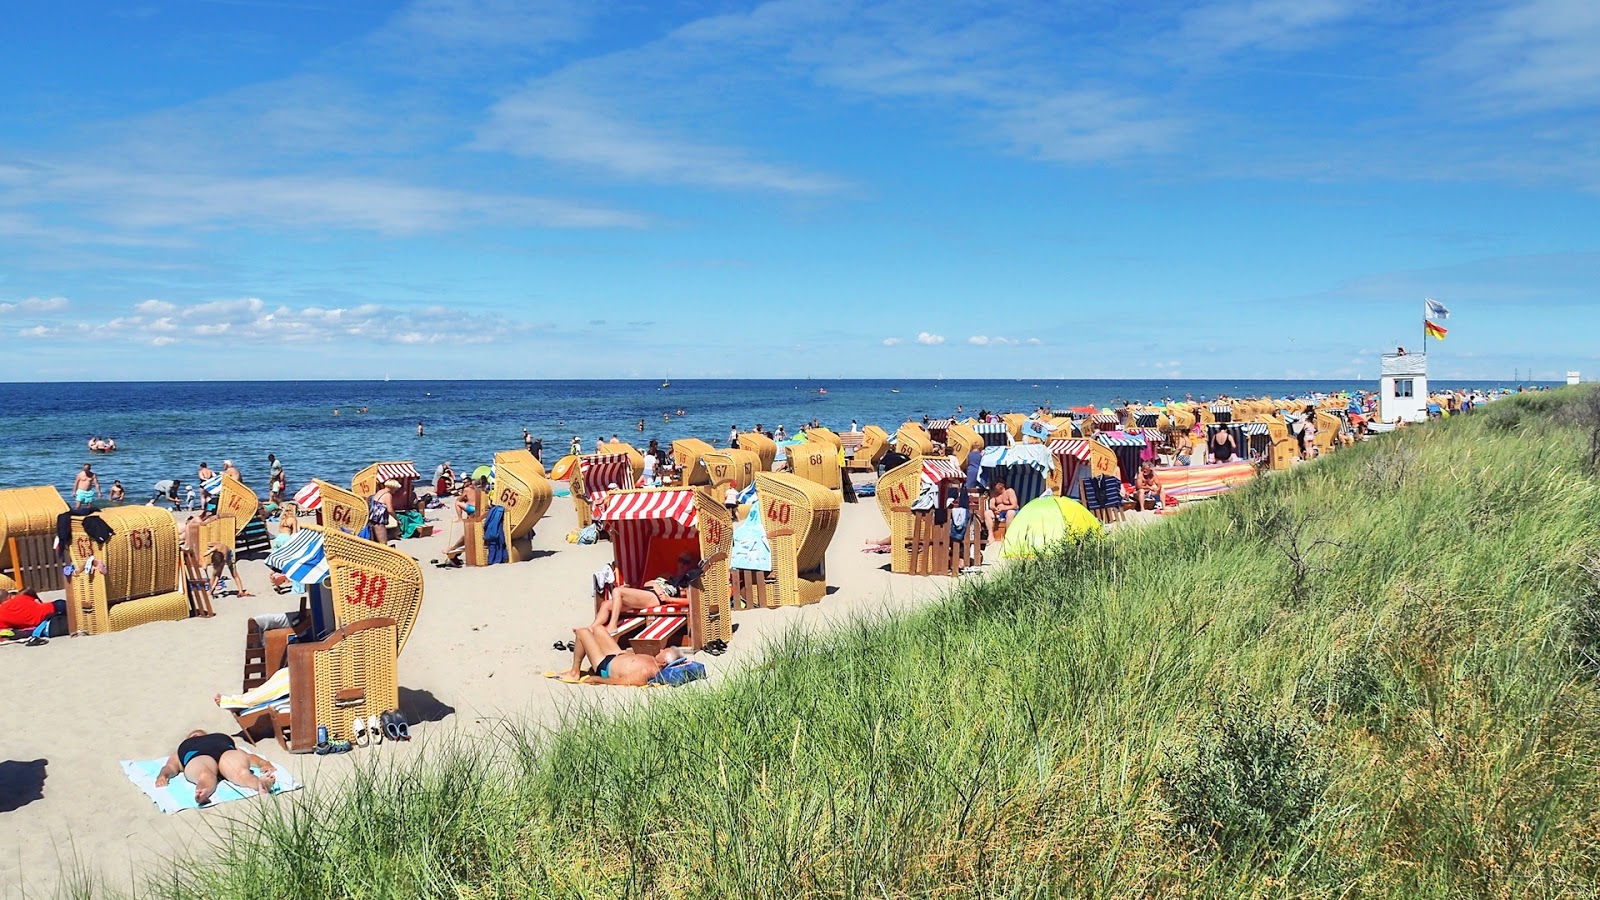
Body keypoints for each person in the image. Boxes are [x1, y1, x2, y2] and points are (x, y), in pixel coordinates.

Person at [155, 730, 277, 806]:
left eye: (199, 733)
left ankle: (260, 785)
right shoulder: (182, 749)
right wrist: (163, 775)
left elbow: (248, 757)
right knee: (204, 775)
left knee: (241, 772)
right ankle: (203, 792)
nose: (196, 734)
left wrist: (263, 762)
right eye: (192, 735)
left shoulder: (218, 737)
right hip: (199, 756)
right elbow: (170, 766)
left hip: (226, 753)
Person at [597, 555, 701, 630]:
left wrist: (669, 599)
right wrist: (655, 585)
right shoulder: (667, 575)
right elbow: (647, 583)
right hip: (645, 593)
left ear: (691, 566)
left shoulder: (686, 583)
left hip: (654, 597)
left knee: (617, 591)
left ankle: (612, 626)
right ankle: (593, 628)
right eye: (680, 560)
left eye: (686, 562)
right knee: (606, 604)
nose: (682, 564)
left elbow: (690, 600)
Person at [983, 479, 1018, 546]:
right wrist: (995, 509)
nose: (993, 486)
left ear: (1001, 485)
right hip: (1000, 512)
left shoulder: (1009, 491)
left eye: (995, 484)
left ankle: (1008, 536)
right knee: (987, 513)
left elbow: (1015, 505)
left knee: (1010, 513)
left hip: (1011, 511)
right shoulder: (994, 493)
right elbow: (991, 505)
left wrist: (1004, 508)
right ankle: (991, 536)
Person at [368, 479, 398, 545]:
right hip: (379, 520)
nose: (396, 491)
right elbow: (390, 510)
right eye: (396, 489)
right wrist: (397, 519)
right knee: (383, 542)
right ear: (392, 487)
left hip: (372, 518)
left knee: (375, 541)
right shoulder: (388, 495)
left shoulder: (380, 491)